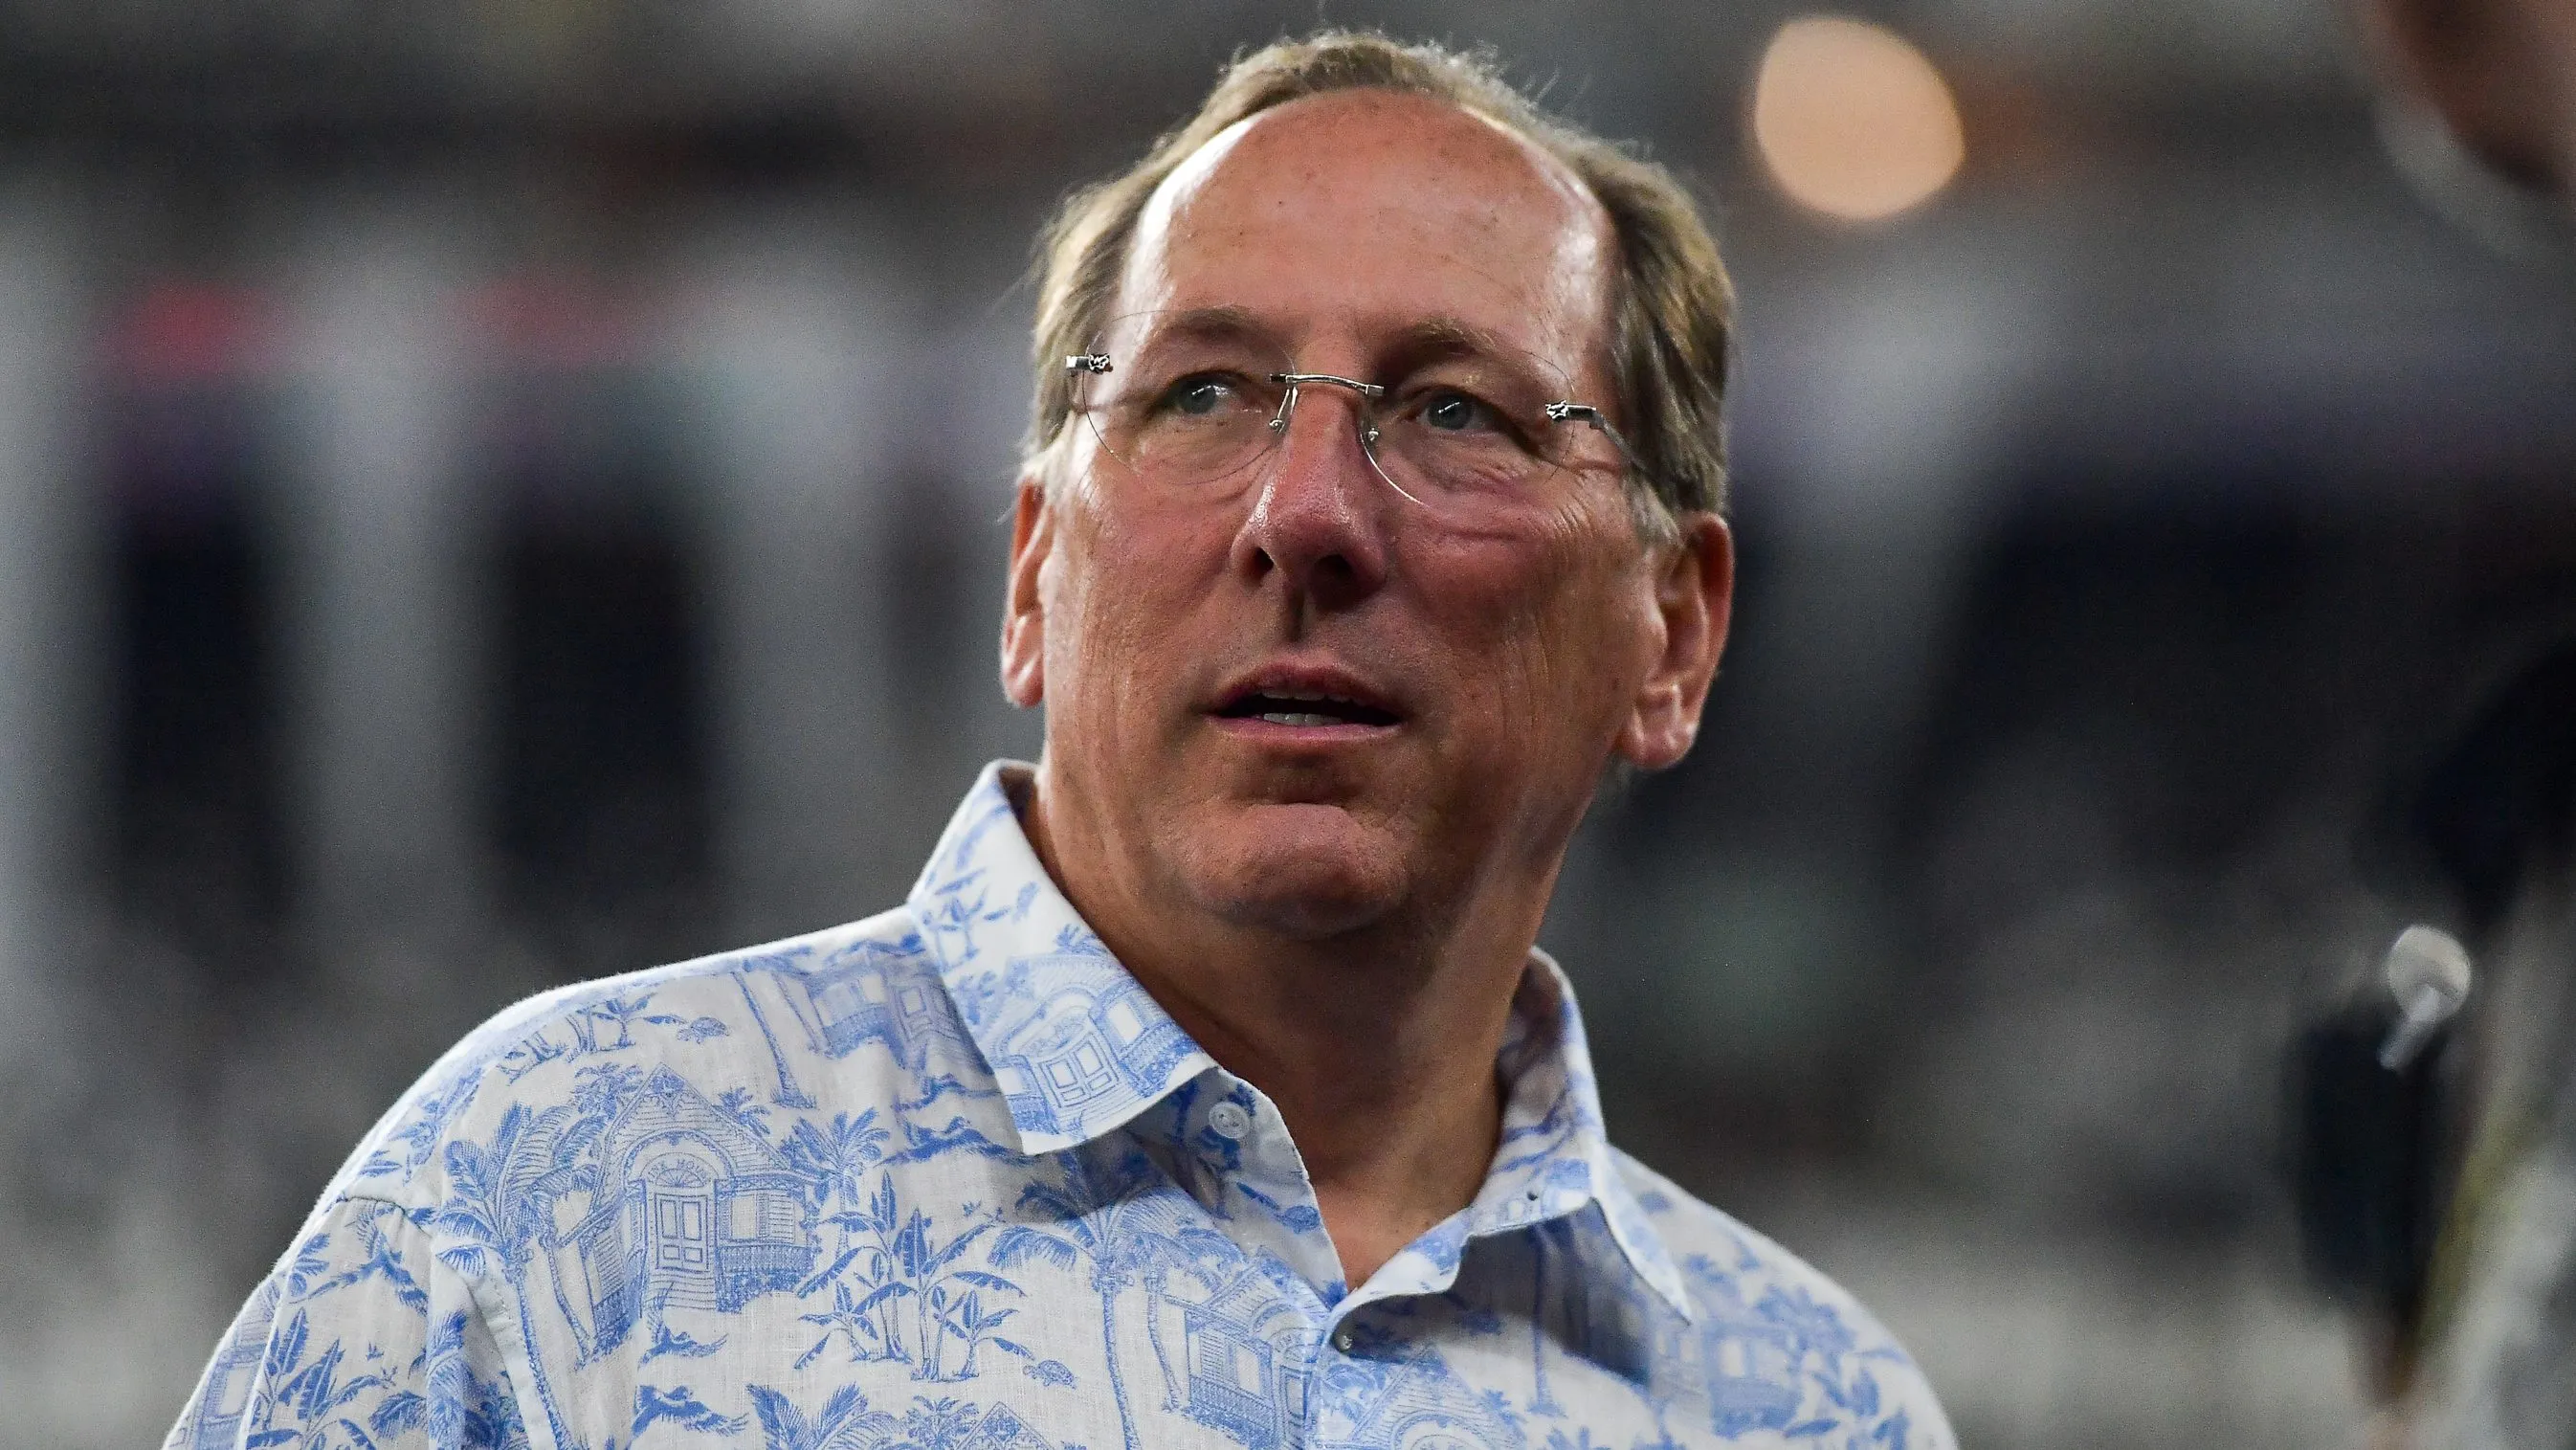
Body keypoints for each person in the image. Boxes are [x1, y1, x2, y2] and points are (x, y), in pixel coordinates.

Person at [167, 33, 1953, 1450]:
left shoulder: (1811, 1409)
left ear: (1673, 632)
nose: (1305, 512)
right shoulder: (557, 1190)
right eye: (1202, 393)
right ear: (1032, 576)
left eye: (1455, 411)